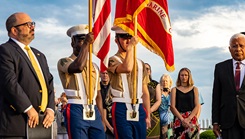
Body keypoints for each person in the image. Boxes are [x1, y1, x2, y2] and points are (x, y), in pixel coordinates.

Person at [0, 12, 55, 138]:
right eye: (28, 24)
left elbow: (49, 83)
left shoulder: (39, 55)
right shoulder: (5, 50)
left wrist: (51, 109)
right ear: (14, 30)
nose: (32, 27)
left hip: (42, 127)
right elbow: (9, 83)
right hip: (16, 126)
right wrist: (28, 108)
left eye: (33, 24)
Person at [57, 24, 105, 138]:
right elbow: (77, 67)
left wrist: (102, 118)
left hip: (94, 110)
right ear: (73, 42)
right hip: (76, 109)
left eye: (87, 41)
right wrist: (86, 44)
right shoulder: (64, 61)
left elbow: (97, 94)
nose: (86, 44)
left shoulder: (94, 66)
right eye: (81, 40)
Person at [107, 25, 151, 139]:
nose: (128, 40)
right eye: (124, 37)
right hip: (121, 106)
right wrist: (131, 47)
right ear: (116, 40)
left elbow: (145, 92)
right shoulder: (111, 60)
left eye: (130, 37)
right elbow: (127, 68)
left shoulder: (140, 63)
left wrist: (148, 116)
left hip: (139, 106)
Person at [212, 33, 245, 139]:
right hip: (228, 121)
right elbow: (216, 96)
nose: (238, 49)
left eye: (241, 45)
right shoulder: (220, 68)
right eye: (234, 46)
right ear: (229, 49)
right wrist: (215, 121)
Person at [170, 68, 199, 139]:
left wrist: (189, 118)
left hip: (191, 119)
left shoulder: (194, 89)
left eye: (186, 75)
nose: (184, 77)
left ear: (189, 76)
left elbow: (197, 106)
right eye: (182, 75)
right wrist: (182, 119)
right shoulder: (174, 90)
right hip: (179, 119)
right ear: (179, 76)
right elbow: (172, 107)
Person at [145, 63, 161, 139]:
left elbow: (158, 101)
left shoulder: (155, 84)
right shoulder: (136, 84)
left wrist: (149, 111)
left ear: (150, 71)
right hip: (140, 114)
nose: (146, 70)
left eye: (147, 69)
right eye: (144, 69)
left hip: (154, 115)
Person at [100, 71, 114, 139]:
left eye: (106, 73)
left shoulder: (113, 87)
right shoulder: (97, 87)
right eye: (103, 73)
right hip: (101, 118)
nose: (105, 75)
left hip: (113, 119)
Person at [158, 74, 173, 139]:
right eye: (163, 81)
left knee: (171, 136)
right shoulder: (158, 93)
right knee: (164, 136)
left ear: (170, 82)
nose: (165, 83)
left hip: (172, 118)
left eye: (166, 81)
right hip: (162, 118)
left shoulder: (172, 92)